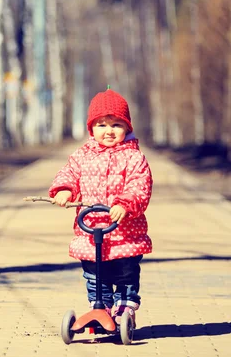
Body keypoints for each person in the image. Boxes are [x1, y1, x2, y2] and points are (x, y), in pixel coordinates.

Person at [48, 88, 153, 325]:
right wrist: (64, 189)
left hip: (126, 232)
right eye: (102, 125)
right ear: (91, 128)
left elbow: (140, 185)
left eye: (116, 125)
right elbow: (70, 173)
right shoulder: (82, 155)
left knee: (126, 274)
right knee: (94, 276)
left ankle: (124, 310)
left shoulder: (134, 157)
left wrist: (125, 204)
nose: (109, 131)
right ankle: (100, 308)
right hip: (91, 230)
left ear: (127, 127)